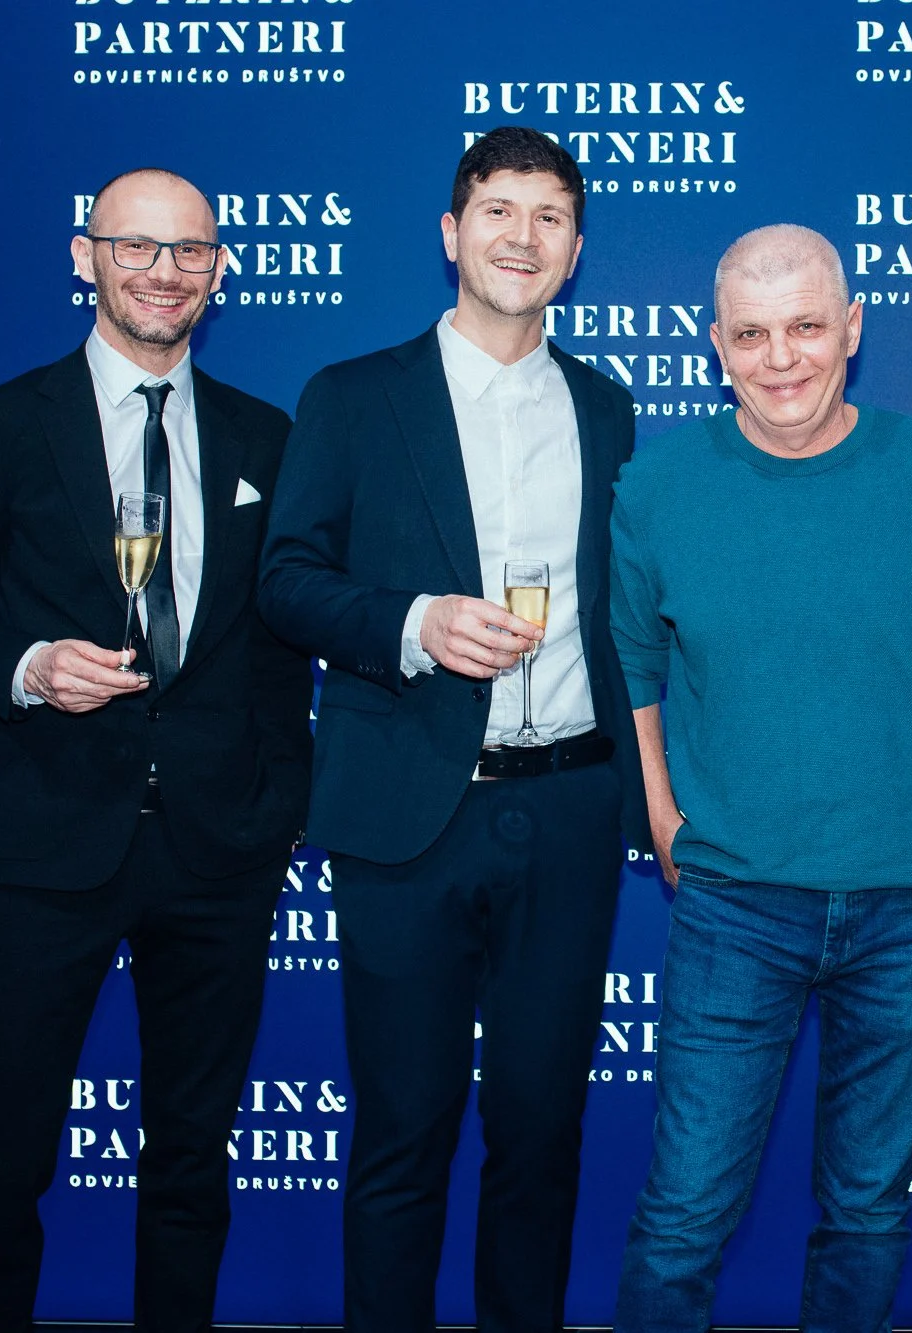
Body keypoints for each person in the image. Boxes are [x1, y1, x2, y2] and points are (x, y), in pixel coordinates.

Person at [0, 167, 313, 1331]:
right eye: (134, 246)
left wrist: (278, 804)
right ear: (84, 257)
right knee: (3, 1166)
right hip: (45, 848)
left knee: (191, 1164)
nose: (161, 272)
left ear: (219, 270)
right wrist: (25, 667)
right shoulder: (4, 420)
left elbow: (282, 645)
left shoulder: (264, 437)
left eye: (187, 251)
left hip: (217, 854)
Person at [257, 126, 647, 1330]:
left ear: (574, 250)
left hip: (570, 809)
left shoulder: (604, 405)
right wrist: (416, 622)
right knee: (402, 1130)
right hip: (408, 811)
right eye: (497, 210)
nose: (521, 236)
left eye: (548, 216)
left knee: (539, 1131)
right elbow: (282, 578)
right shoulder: (354, 396)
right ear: (450, 233)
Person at [607, 224, 912, 1333]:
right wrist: (662, 818)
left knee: (867, 1209)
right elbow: (638, 672)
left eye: (803, 326)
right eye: (750, 333)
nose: (779, 356)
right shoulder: (655, 487)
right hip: (735, 900)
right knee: (684, 1211)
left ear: (851, 327)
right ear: (715, 345)